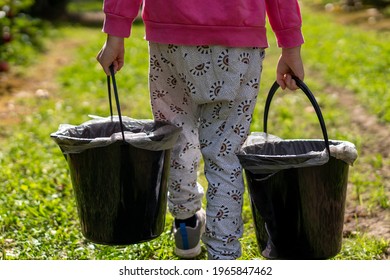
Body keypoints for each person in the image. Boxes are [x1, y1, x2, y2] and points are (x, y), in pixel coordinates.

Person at [97, 0, 305, 260]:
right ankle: (223, 254)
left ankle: (186, 224)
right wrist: (291, 47)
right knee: (224, 154)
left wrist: (115, 33)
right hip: (238, 43)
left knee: (176, 137)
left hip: (170, 38)